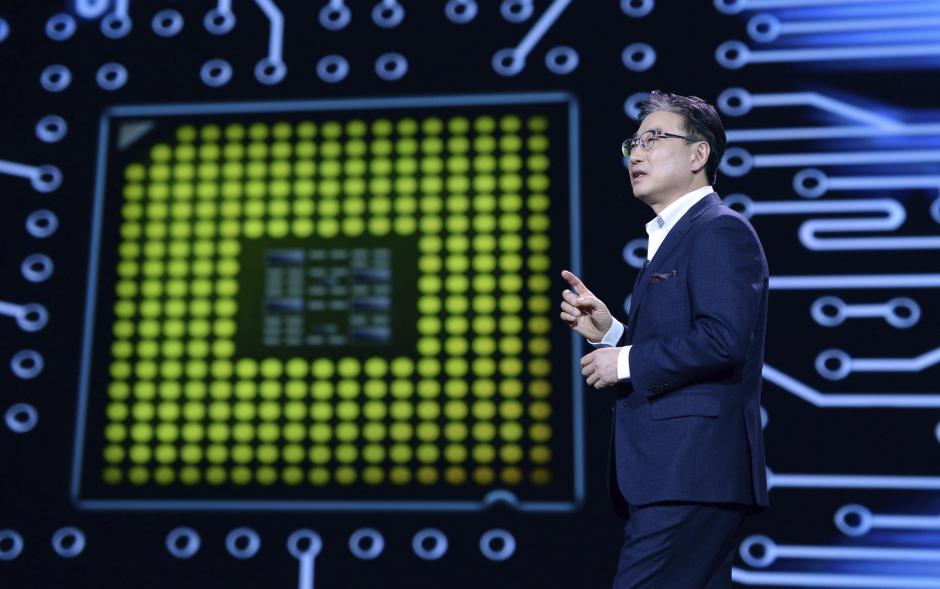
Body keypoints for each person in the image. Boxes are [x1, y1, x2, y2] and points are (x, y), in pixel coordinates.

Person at [559, 91, 770, 588]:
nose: (636, 152)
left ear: (699, 155)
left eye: (654, 139)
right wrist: (611, 333)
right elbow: (690, 341)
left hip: (690, 474)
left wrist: (625, 362)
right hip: (677, 476)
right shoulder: (679, 236)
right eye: (634, 141)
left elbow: (723, 340)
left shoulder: (719, 231)